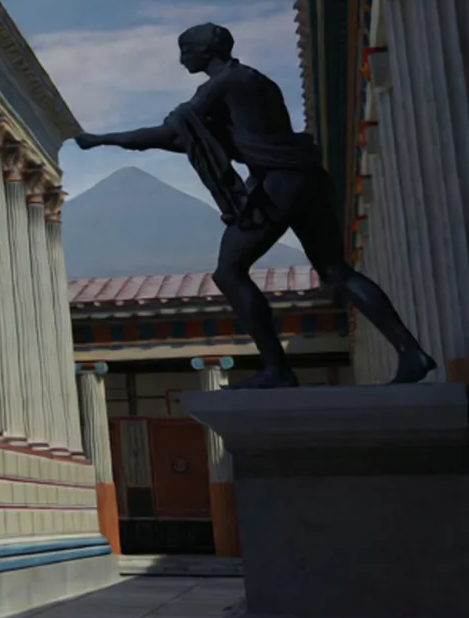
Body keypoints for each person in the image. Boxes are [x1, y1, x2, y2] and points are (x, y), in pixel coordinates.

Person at [75, 23, 434, 387]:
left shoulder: (222, 84)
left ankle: (277, 369)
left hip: (278, 181)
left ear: (206, 51)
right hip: (304, 176)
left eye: (186, 50)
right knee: (337, 271)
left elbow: (172, 133)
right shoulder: (256, 81)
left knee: (229, 271)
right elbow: (194, 141)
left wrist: (103, 139)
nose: (182, 59)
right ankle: (411, 352)